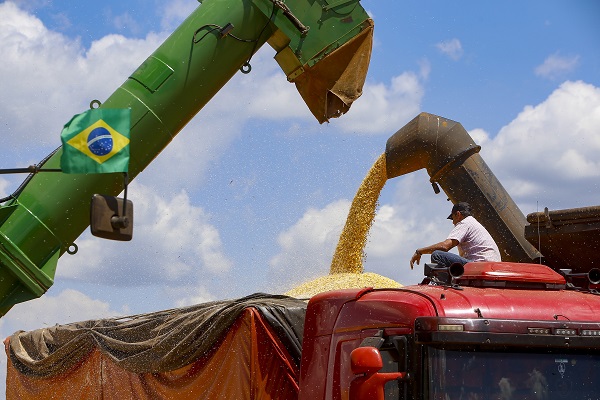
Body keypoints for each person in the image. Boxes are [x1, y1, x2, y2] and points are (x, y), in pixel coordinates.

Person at [410, 202, 501, 269]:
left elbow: (444, 246)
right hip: (492, 266)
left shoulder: (465, 223)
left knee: (437, 255)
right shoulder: (474, 223)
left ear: (458, 214)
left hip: (479, 265)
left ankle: (448, 287)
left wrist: (420, 251)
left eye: (452, 218)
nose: (453, 223)